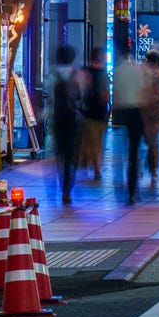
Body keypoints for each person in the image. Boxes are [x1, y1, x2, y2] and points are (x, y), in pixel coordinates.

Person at [112, 53, 148, 205]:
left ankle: (121, 180)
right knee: (134, 151)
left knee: (119, 151)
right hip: (136, 112)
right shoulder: (138, 70)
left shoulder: (118, 71)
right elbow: (143, 92)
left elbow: (115, 93)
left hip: (120, 113)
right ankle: (132, 187)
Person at [49, 46, 80, 207]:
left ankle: (63, 187)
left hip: (58, 120)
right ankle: (67, 189)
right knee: (70, 156)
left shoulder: (52, 77)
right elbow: (81, 99)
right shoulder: (76, 76)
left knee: (60, 154)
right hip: (73, 121)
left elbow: (49, 101)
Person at [76, 58, 109, 182]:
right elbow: (106, 95)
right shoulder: (101, 75)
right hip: (97, 115)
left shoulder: (86, 73)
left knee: (90, 141)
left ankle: (88, 164)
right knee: (95, 142)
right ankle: (95, 169)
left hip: (89, 114)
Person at [140, 51, 159, 188]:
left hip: (139, 111)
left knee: (137, 142)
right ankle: (153, 171)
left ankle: (139, 168)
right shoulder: (157, 74)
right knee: (153, 143)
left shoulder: (139, 70)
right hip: (152, 114)